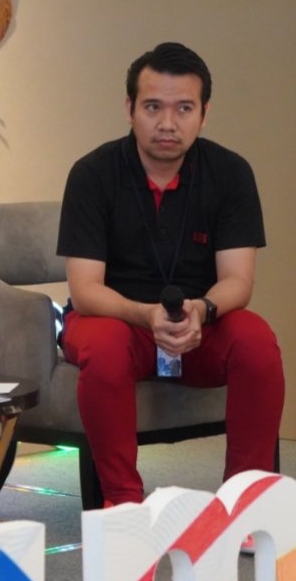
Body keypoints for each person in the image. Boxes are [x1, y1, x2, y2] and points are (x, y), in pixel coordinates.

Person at [56, 42, 284, 508]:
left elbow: (238, 280)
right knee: (104, 346)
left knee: (257, 341)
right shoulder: (92, 174)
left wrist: (202, 309)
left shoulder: (231, 173)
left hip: (200, 325)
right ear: (129, 109)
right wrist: (145, 315)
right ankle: (123, 504)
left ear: (204, 113)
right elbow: (85, 290)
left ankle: (246, 502)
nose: (167, 123)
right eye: (153, 107)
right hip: (118, 319)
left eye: (184, 108)